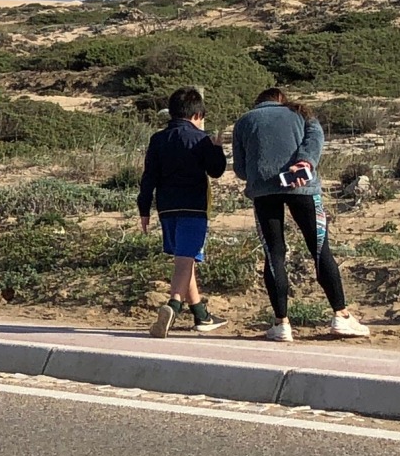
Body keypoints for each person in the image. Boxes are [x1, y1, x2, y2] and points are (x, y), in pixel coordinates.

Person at [231, 86, 364, 342]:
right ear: (282, 99)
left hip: (263, 192)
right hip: (302, 187)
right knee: (319, 248)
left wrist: (261, 174)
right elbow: (315, 140)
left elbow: (240, 169)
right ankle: (341, 315)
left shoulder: (245, 121)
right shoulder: (302, 115)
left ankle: (282, 323)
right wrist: (304, 161)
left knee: (274, 255)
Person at [137, 86, 228, 337]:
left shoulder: (158, 139)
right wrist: (217, 147)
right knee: (184, 261)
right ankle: (173, 305)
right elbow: (216, 170)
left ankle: (201, 314)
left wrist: (144, 208)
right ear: (197, 114)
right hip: (193, 207)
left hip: (166, 207)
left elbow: (148, 177)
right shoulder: (200, 139)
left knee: (186, 259)